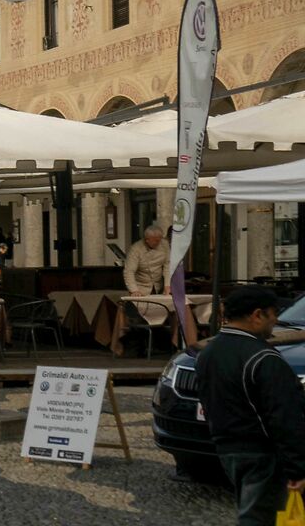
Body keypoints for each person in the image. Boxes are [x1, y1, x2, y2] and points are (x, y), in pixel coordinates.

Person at [193, 284, 305, 525]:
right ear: (257, 315)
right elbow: (285, 417)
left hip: (227, 449)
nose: (276, 320)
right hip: (262, 454)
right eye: (273, 313)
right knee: (260, 517)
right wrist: (297, 468)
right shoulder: (264, 357)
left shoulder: (207, 353)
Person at [124, 223, 171, 296]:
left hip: (158, 286)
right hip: (140, 287)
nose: (158, 243)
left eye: (159, 240)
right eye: (155, 241)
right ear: (147, 240)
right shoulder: (136, 249)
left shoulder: (165, 244)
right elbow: (129, 271)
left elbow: (167, 266)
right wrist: (134, 290)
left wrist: (167, 285)